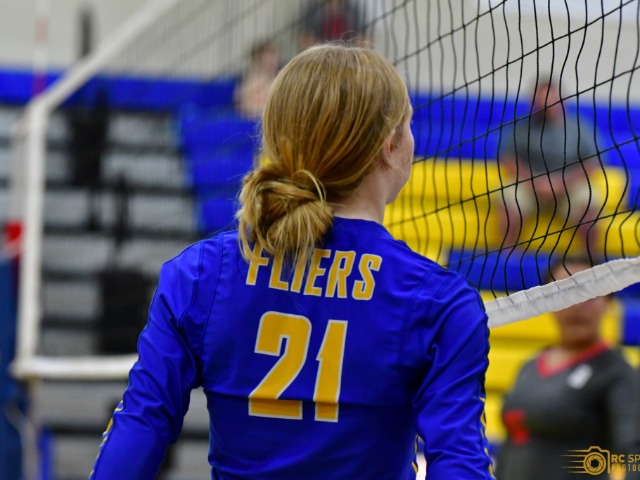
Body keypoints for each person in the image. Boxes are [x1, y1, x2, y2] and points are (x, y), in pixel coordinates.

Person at [89, 44, 494, 479]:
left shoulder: (200, 275)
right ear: (390, 146)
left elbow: (141, 426)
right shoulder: (439, 301)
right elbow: (460, 464)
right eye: (408, 123)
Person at [497, 256, 640, 479]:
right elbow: (512, 446)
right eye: (566, 293)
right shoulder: (530, 367)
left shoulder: (615, 371)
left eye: (589, 293)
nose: (577, 305)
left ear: (608, 302)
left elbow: (634, 453)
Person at [498, 79, 600, 252]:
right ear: (533, 102)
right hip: (530, 186)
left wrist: (562, 184)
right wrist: (535, 182)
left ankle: (590, 258)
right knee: (509, 198)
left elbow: (592, 163)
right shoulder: (520, 127)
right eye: (541, 102)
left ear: (562, 101)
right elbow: (508, 160)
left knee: (587, 201)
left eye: (550, 101)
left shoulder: (579, 127)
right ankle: (509, 257)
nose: (546, 106)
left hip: (568, 187)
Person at [234, 40, 280, 118]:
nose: (273, 61)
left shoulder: (280, 79)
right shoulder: (252, 81)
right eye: (268, 58)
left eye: (274, 56)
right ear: (258, 60)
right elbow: (246, 107)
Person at [298, 0, 369, 50]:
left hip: (346, 52)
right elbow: (305, 35)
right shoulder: (314, 9)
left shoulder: (352, 10)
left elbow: (361, 36)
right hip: (320, 52)